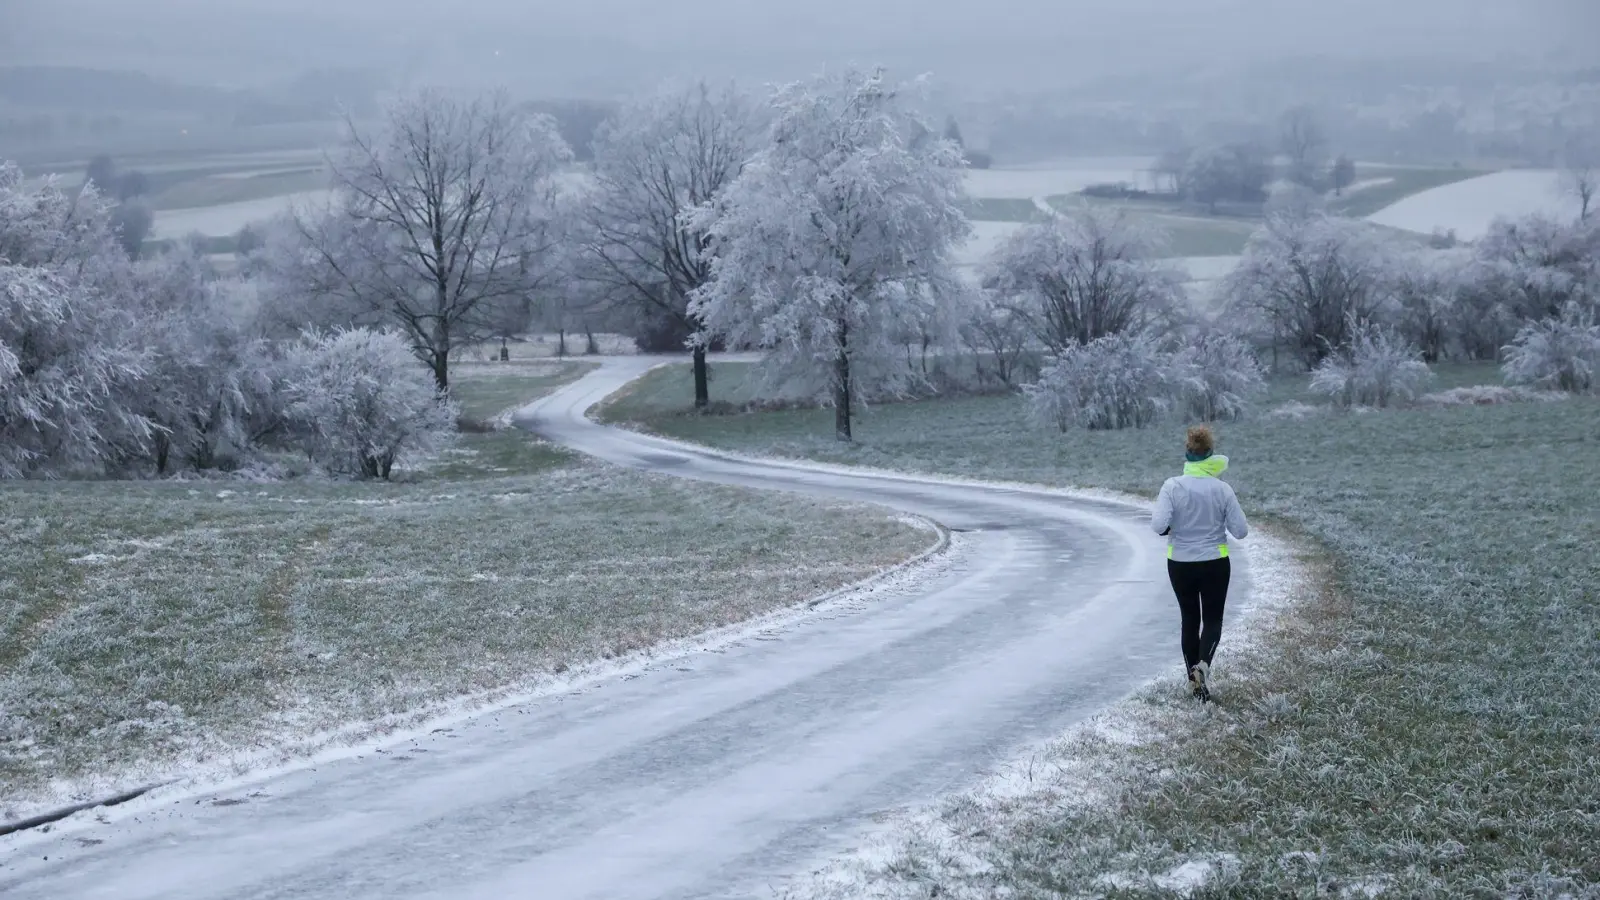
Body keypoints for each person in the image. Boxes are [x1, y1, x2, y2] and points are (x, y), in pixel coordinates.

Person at [1150, 424, 1249, 702]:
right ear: (1211, 453)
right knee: (1213, 619)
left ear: (1187, 451)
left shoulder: (1172, 486)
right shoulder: (1222, 489)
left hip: (1180, 563)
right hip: (1215, 563)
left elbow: (1158, 525)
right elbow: (1240, 531)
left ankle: (1195, 686)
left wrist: (1175, 529)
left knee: (1190, 619)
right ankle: (1203, 666)